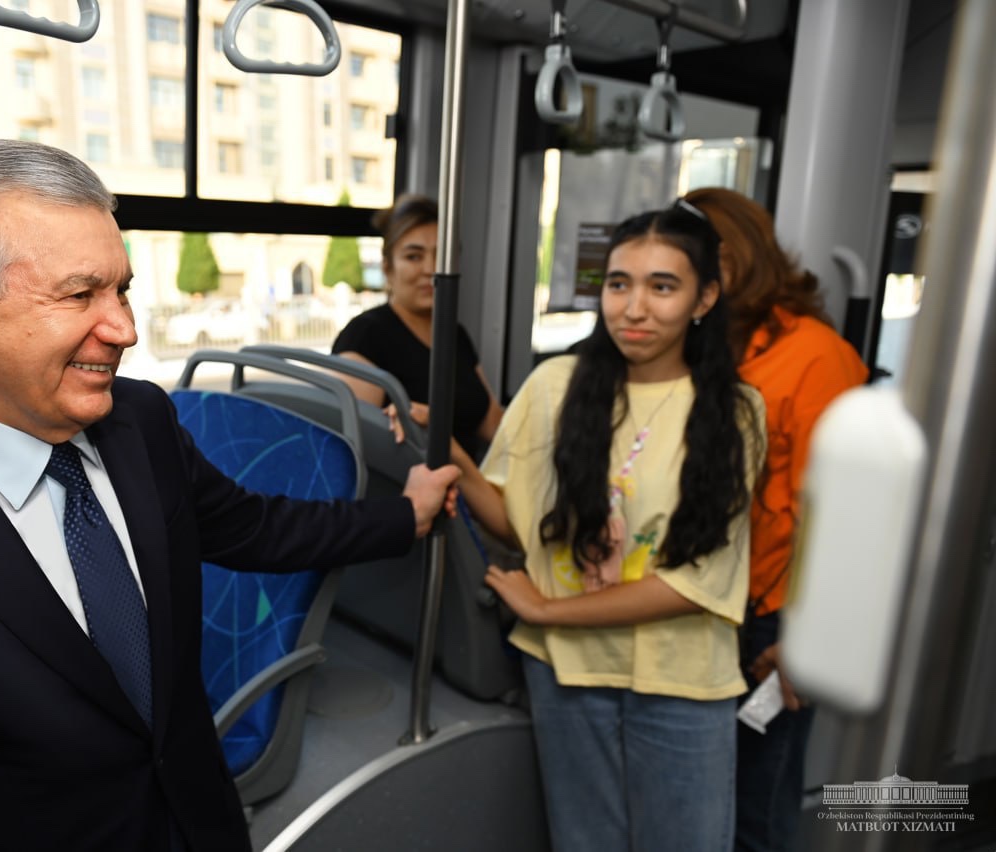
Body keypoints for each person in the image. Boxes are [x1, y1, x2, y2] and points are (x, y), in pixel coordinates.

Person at [0, 139, 459, 852]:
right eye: (80, 294)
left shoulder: (142, 421)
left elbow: (255, 528)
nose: (126, 330)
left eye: (122, 289)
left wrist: (406, 513)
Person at [453, 203, 765, 851]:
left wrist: (547, 610)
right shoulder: (555, 386)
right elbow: (518, 525)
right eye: (619, 284)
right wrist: (444, 452)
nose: (634, 308)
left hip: (680, 680)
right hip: (568, 674)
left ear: (705, 298)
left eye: (662, 286)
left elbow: (695, 584)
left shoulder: (735, 411)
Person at [686, 186, 869, 852]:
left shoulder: (816, 355)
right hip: (704, 604)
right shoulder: (703, 348)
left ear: (734, 258)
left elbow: (845, 517)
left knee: (754, 813)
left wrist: (806, 638)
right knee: (701, 805)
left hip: (774, 619)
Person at [331, 194, 503, 459]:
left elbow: (494, 424)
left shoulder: (454, 334)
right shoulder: (366, 336)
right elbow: (352, 450)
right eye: (413, 257)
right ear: (388, 269)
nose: (431, 269)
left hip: (471, 479)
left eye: (441, 256)